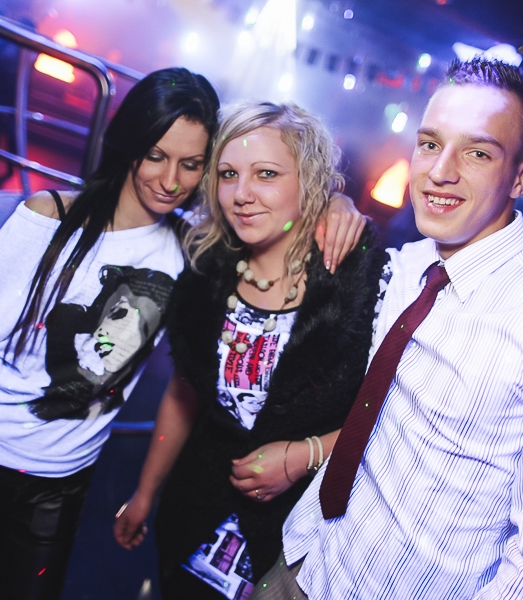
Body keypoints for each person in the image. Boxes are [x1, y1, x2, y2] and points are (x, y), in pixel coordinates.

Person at [0, 68, 362, 600]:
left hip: (60, 480)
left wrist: (336, 202)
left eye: (191, 164)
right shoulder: (48, 217)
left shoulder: (193, 252)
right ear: (130, 144)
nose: (170, 180)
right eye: (155, 155)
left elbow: (284, 198)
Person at [254, 58, 523, 599]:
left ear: (521, 177)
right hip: (302, 558)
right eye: (430, 144)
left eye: (478, 153)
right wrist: (335, 203)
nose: (440, 171)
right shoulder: (409, 265)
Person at [113, 102, 386, 599]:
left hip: (299, 547)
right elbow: (183, 393)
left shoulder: (362, 283)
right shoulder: (206, 273)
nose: (241, 194)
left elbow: (392, 416)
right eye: (228, 174)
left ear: (310, 179)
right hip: (194, 521)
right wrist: (145, 493)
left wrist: (305, 455)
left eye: (266, 174)